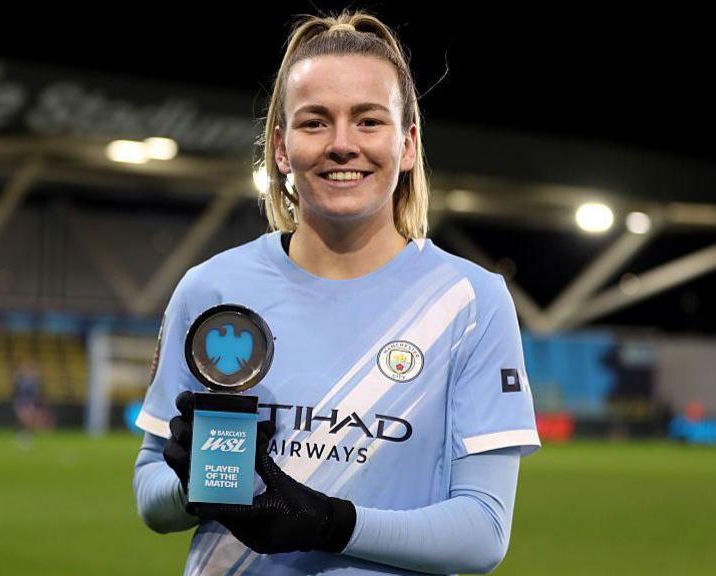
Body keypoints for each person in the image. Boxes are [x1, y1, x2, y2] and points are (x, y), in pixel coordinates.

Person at [132, 10, 541, 575]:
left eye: (369, 121)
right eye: (315, 122)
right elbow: (151, 496)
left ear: (408, 144)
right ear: (281, 148)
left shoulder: (471, 301)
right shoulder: (212, 287)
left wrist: (328, 523)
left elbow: (483, 532)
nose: (342, 145)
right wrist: (196, 482)